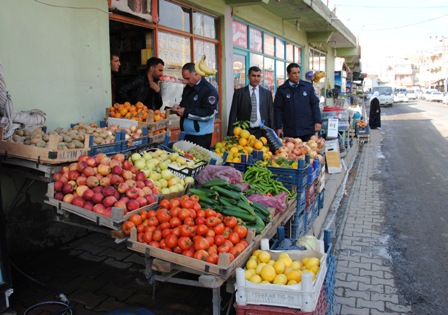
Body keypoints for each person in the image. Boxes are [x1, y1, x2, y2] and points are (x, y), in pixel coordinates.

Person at [172, 62, 218, 149]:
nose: (185, 81)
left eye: (187, 78)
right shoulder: (188, 88)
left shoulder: (209, 90)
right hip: (186, 133)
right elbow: (185, 106)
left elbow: (209, 113)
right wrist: (179, 108)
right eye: (184, 78)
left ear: (196, 74)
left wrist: (186, 112)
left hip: (201, 136)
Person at [274, 63, 321, 142]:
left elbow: (314, 104)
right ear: (288, 75)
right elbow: (278, 110)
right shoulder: (282, 90)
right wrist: (278, 127)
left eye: (298, 72)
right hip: (290, 131)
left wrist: (317, 121)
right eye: (294, 73)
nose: (297, 75)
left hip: (307, 129)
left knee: (310, 152)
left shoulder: (307, 87)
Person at [227, 66, 274, 138]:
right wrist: (230, 133)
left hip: (262, 131)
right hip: (244, 131)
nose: (256, 78)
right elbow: (233, 114)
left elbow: (271, 113)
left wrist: (273, 132)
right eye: (253, 76)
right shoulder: (239, 93)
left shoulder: (267, 93)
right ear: (248, 76)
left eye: (258, 76)